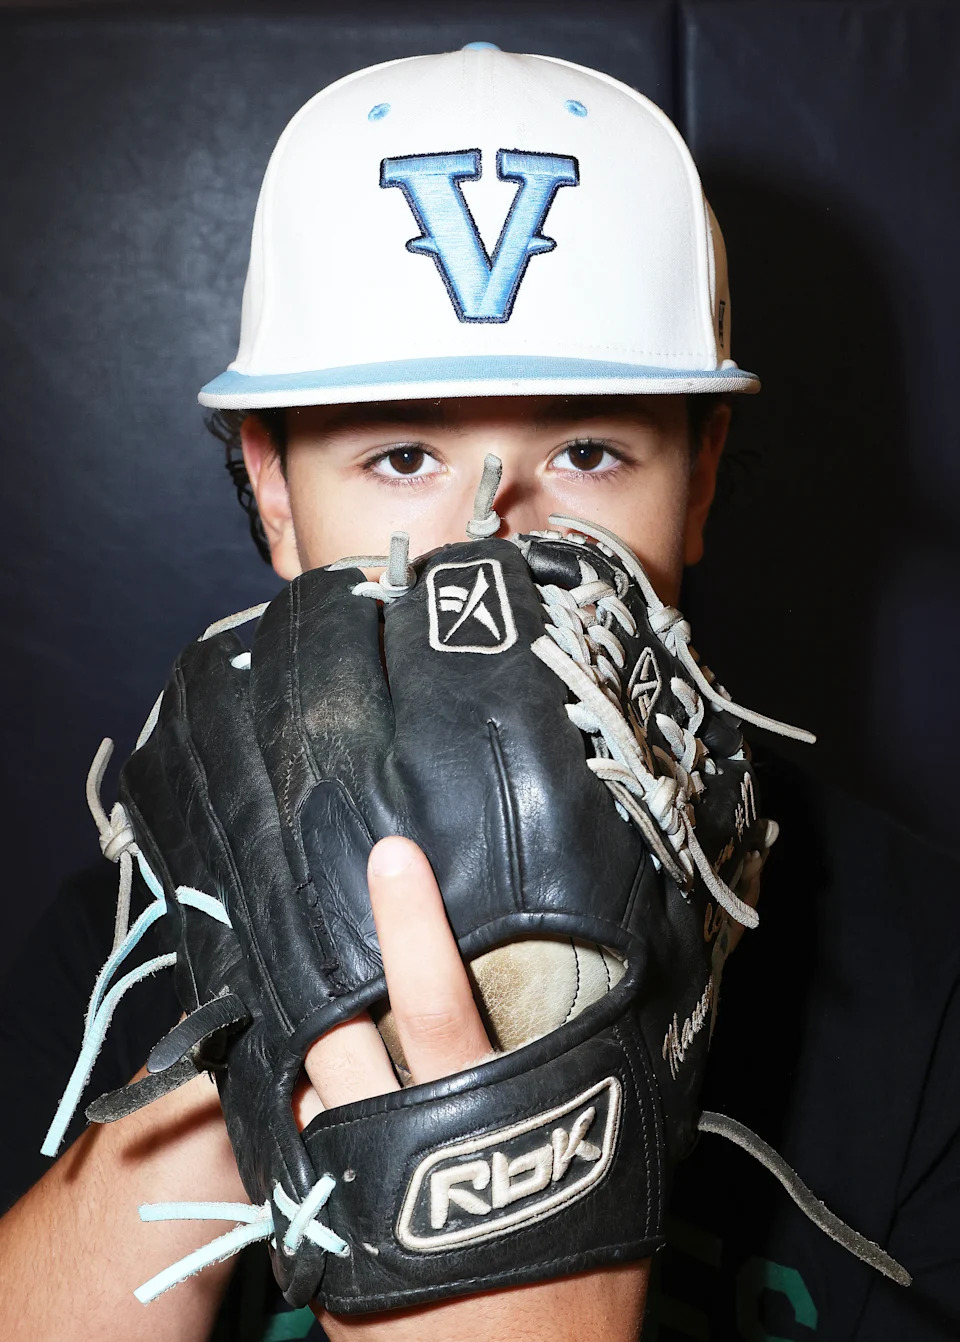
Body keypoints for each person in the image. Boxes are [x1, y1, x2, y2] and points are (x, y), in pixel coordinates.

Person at [1, 42, 957, 1342]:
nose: (485, 552)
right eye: (403, 454)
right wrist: (230, 1052)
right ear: (274, 489)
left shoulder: (921, 970)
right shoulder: (116, 950)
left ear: (700, 475)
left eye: (588, 450)